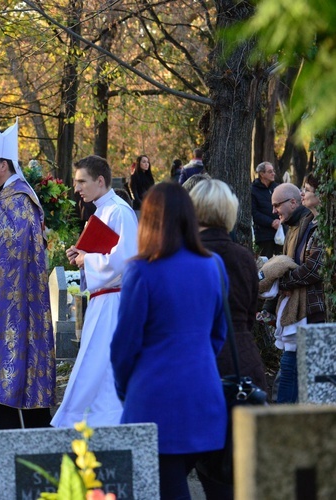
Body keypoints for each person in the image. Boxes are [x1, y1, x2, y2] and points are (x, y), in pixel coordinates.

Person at [111, 182, 227, 499]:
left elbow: (124, 346)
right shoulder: (213, 265)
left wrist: (127, 390)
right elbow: (218, 333)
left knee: (167, 487)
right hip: (204, 394)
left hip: (154, 397)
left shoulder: (141, 271)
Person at [0, 116, 55, 429]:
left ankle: (23, 426)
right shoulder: (4, 197)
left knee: (16, 359)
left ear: (4, 166)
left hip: (18, 302)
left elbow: (16, 243)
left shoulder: (21, 198)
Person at [51, 155, 138, 428]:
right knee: (93, 362)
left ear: (100, 181)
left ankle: (99, 421)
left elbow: (124, 259)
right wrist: (82, 255)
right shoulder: (102, 211)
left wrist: (85, 260)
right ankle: (83, 419)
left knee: (101, 363)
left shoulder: (120, 211)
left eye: (81, 182)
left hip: (114, 301)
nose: (77, 188)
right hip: (103, 299)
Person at [190, 179, 267, 393]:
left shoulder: (185, 257)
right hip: (242, 358)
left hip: (199, 361)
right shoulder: (243, 257)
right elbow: (251, 311)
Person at [270, 179, 324, 403]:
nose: (303, 194)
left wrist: (283, 281)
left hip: (313, 309)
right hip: (304, 308)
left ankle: (282, 421)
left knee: (298, 371)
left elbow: (314, 268)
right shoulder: (307, 224)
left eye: (308, 190)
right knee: (292, 368)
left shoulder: (319, 227)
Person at [251, 161, 281, 258]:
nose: (273, 174)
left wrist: (280, 220)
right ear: (262, 174)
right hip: (264, 235)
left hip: (280, 232)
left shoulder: (277, 188)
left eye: (273, 171)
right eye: (270, 171)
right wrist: (271, 222)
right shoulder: (253, 190)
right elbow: (254, 213)